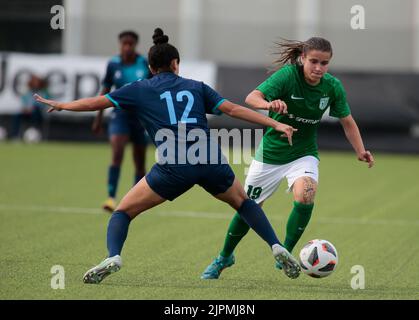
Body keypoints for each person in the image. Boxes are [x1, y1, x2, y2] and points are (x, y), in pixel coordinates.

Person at [35, 28, 302, 284]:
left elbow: (97, 102)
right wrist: (275, 123)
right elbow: (233, 109)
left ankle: (113, 255)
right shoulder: (196, 86)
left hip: (174, 167)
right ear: (176, 63)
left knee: (123, 212)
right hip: (209, 160)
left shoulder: (138, 88)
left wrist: (62, 105)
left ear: (150, 67)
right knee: (244, 203)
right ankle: (276, 245)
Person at [201, 37, 375, 279]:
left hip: (303, 154)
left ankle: (287, 252)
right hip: (270, 154)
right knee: (247, 207)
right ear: (303, 58)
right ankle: (224, 257)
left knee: (306, 195)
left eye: (324, 63)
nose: (318, 68)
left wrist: (360, 150)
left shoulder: (332, 87)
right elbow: (252, 98)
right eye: (314, 61)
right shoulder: (287, 76)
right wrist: (270, 104)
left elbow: (347, 121)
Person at [92, 30, 151, 213]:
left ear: (135, 45)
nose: (127, 47)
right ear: (120, 45)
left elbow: (152, 91)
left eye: (130, 44)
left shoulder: (144, 64)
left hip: (140, 118)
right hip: (120, 116)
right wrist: (98, 118)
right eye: (124, 44)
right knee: (117, 153)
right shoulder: (113, 65)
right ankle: (111, 198)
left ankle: (136, 199)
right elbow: (105, 91)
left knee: (139, 162)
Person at [10, 74, 48, 140]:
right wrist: (26, 109)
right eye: (34, 82)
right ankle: (15, 136)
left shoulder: (44, 92)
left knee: (35, 111)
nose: (35, 84)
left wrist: (33, 108)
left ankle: (34, 131)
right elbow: (24, 104)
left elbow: (45, 104)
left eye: (37, 82)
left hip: (39, 113)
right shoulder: (27, 93)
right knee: (17, 116)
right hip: (28, 112)